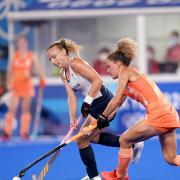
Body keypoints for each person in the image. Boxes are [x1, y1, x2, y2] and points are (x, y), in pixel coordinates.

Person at [47, 38, 144, 180]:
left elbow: (98, 81)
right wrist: (72, 117)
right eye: (50, 59)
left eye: (54, 56)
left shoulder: (76, 63)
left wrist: (87, 102)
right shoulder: (63, 74)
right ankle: (131, 141)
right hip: (93, 105)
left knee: (82, 140)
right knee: (91, 138)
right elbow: (71, 97)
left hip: (104, 102)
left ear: (63, 52)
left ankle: (93, 177)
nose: (53, 61)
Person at [95, 37, 180, 180]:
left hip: (159, 114)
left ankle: (120, 177)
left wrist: (101, 117)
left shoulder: (126, 72)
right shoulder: (128, 76)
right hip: (169, 114)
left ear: (119, 64)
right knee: (171, 159)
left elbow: (115, 101)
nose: (107, 70)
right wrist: (99, 123)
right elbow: (117, 105)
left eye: (109, 66)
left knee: (125, 140)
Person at [2, 35, 46, 140]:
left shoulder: (31, 56)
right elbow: (9, 71)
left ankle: (24, 132)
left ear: (26, 43)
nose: (21, 44)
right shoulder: (14, 56)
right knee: (12, 109)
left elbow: (38, 70)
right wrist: (9, 83)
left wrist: (41, 79)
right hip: (16, 86)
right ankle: (7, 132)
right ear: (18, 44)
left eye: (23, 42)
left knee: (25, 110)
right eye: (19, 42)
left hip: (27, 86)